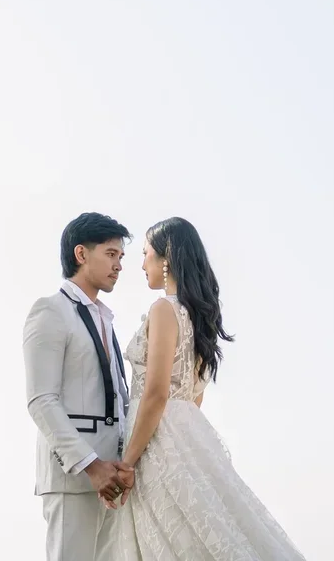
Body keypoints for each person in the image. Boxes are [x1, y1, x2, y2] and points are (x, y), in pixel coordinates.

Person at [111, 217, 306, 560]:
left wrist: (127, 462)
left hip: (155, 442)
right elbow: (193, 395)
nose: (141, 264)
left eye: (146, 254)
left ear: (165, 259)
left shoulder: (163, 310)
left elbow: (156, 393)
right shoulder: (198, 317)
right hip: (186, 433)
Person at [23, 212, 138, 561]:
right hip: (73, 479)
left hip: (113, 477)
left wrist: (120, 463)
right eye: (110, 254)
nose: (118, 265)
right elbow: (41, 400)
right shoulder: (50, 311)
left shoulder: (105, 318)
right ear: (81, 254)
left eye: (121, 257)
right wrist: (91, 466)